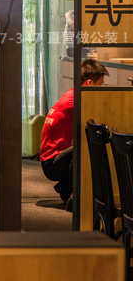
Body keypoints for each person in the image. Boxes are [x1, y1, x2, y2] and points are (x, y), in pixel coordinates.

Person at [40, 58, 109, 211]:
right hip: (52, 163)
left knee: (83, 143)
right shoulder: (77, 101)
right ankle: (74, 198)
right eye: (100, 85)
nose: (101, 89)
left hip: (51, 159)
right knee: (86, 146)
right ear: (89, 83)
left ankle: (65, 189)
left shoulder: (73, 94)